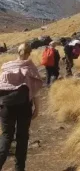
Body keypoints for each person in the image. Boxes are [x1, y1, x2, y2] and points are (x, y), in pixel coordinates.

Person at [0, 43, 43, 171]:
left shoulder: (6, 67)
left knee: (6, 136)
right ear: (29, 53)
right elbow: (35, 91)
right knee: (22, 137)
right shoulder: (30, 67)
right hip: (24, 106)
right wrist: (37, 108)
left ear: (17, 52)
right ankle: (19, 168)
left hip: (6, 106)